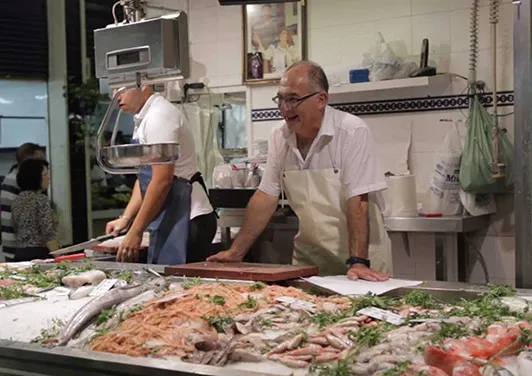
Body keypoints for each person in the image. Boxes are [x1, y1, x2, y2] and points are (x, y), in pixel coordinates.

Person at [209, 61, 390, 281]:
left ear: (321, 100)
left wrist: (359, 261)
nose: (285, 108)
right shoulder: (279, 136)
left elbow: (358, 200)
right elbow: (266, 196)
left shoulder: (352, 131)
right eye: (281, 99)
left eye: (293, 99)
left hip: (362, 259)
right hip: (311, 257)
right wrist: (235, 252)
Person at [105, 86, 217, 265]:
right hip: (171, 214)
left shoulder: (159, 116)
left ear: (144, 85)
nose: (116, 96)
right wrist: (126, 218)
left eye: (121, 89)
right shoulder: (143, 118)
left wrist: (136, 231)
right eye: (112, 90)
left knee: (180, 287)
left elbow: (162, 181)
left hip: (188, 218)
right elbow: (145, 178)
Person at [0, 143, 45, 262]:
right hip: (18, 247)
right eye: (39, 160)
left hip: (13, 246)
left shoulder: (12, 178)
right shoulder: (19, 182)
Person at [11, 159, 59, 261]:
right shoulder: (40, 199)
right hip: (39, 254)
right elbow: (48, 233)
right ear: (36, 177)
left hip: (20, 253)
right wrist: (60, 257)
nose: (48, 178)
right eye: (45, 175)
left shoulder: (17, 199)